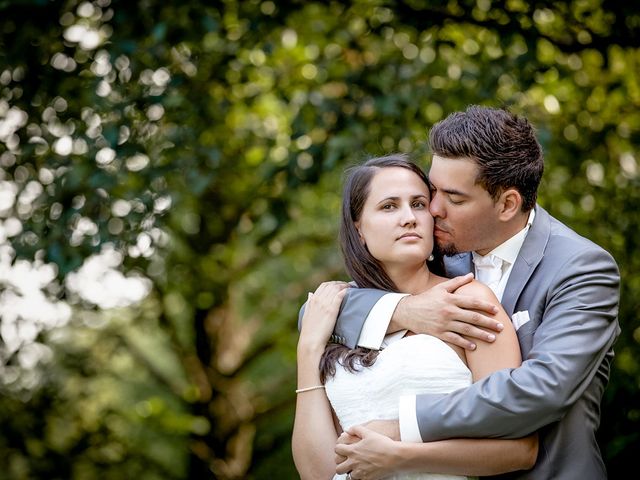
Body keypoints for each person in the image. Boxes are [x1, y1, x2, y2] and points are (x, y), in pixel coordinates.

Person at [331, 106, 621, 480]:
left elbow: (540, 390)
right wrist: (406, 311)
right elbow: (322, 312)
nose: (432, 210)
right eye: (433, 190)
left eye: (454, 197)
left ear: (507, 204)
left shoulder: (581, 269)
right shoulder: (439, 251)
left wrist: (404, 424)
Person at [292, 155, 538, 480]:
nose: (409, 218)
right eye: (389, 206)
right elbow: (320, 473)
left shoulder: (466, 301)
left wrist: (400, 456)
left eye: (419, 204)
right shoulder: (331, 314)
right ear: (358, 228)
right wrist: (308, 349)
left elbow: (519, 448)